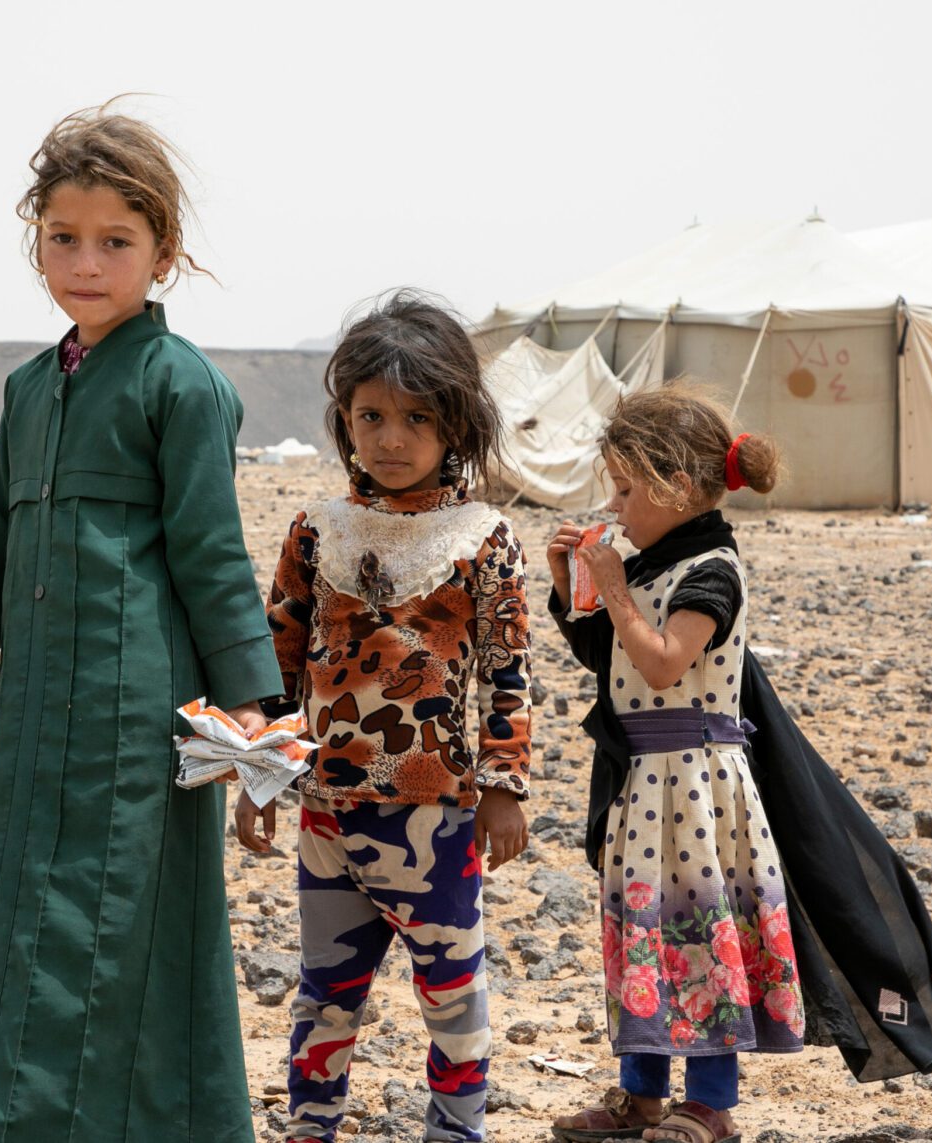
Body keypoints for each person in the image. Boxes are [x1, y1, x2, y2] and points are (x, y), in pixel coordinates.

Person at [0, 101, 279, 1142]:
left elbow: (213, 556)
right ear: (35, 243)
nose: (85, 262)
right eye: (62, 237)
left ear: (164, 251)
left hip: (135, 722)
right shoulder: (29, 389)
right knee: (19, 919)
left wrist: (252, 713)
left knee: (123, 932)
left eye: (115, 240)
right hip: (31, 724)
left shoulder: (182, 385)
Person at [240, 290, 533, 1143]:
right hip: (327, 814)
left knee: (452, 993)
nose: (392, 439)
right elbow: (277, 666)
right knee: (325, 992)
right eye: (371, 416)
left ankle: (457, 1131)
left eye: (416, 417)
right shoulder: (315, 530)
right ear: (345, 420)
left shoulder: (483, 537)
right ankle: (310, 1128)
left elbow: (508, 672)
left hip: (435, 819)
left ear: (456, 424)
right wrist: (260, 777)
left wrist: (504, 785)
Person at [544, 389, 798, 1143]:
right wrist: (569, 587)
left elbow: (661, 663)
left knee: (701, 928)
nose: (614, 507)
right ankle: (642, 1095)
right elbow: (611, 656)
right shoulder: (657, 564)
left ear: (678, 487)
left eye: (626, 491)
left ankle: (712, 1103)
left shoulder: (713, 571)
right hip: (645, 782)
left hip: (696, 784)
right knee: (645, 932)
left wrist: (614, 589)